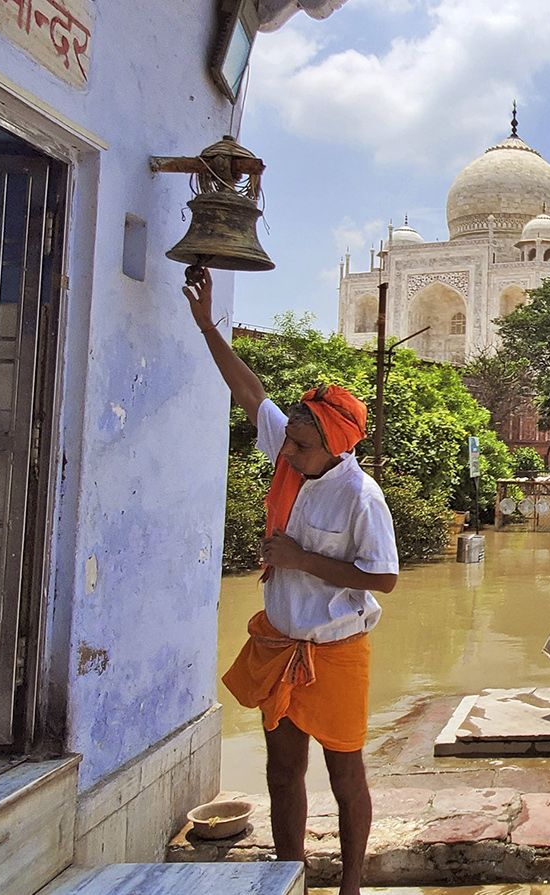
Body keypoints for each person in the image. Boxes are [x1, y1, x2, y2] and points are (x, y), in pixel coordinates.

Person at [184, 267, 396, 894]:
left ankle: (351, 886)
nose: (288, 455)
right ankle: (289, 876)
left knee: (345, 772)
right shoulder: (294, 452)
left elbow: (382, 578)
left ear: (333, 445)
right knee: (282, 769)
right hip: (280, 643)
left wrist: (300, 558)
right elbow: (250, 393)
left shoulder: (360, 497)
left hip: (334, 650)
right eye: (289, 443)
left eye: (300, 448)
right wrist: (206, 326)